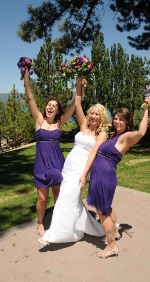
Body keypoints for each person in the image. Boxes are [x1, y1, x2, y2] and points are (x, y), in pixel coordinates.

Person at [79, 96, 150, 258]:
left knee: (102, 212)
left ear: (127, 122)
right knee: (107, 208)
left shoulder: (126, 137)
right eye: (116, 119)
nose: (117, 122)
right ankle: (116, 233)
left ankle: (111, 246)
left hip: (105, 177)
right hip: (100, 176)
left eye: (121, 120)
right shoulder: (113, 135)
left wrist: (146, 109)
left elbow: (141, 132)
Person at [38, 74, 109, 245]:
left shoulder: (102, 134)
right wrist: (79, 86)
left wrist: (85, 174)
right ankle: (83, 227)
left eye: (96, 114)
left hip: (81, 168)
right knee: (70, 199)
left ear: (101, 117)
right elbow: (77, 103)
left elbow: (93, 154)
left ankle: (54, 234)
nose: (92, 116)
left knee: (65, 198)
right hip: (68, 165)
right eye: (91, 113)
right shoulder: (83, 124)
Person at [24, 67, 82, 236]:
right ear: (46, 108)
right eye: (49, 104)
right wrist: (26, 75)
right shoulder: (39, 120)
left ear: (58, 110)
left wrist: (80, 87)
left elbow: (75, 104)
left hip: (57, 164)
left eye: (54, 106)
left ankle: (58, 222)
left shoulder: (60, 123)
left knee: (58, 195)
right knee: (42, 198)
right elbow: (30, 96)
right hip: (41, 165)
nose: (50, 107)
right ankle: (40, 222)